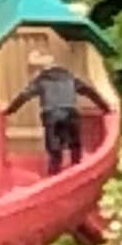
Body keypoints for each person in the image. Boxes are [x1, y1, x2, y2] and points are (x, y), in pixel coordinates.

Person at [18, 40, 109, 171]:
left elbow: (24, 96)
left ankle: (54, 174)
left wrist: (10, 110)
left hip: (51, 115)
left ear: (39, 68)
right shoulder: (69, 76)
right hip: (71, 113)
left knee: (54, 152)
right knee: (75, 147)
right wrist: (105, 107)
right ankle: (77, 169)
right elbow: (89, 91)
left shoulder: (41, 79)